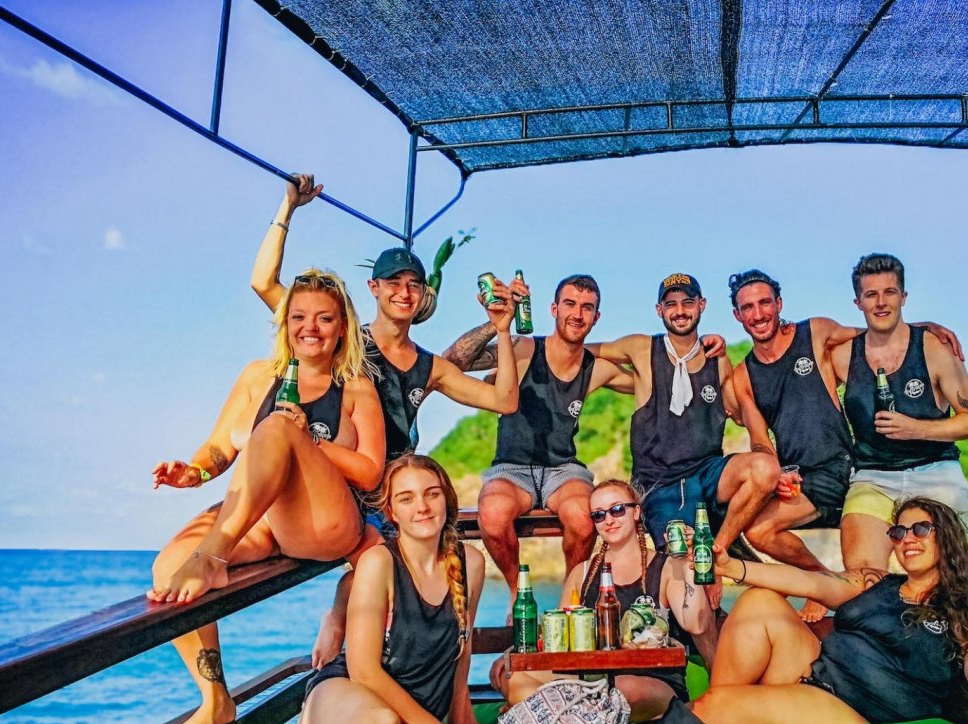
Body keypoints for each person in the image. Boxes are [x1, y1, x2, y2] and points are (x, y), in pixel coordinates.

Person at [251, 174, 519, 661]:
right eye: (394, 282)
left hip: (396, 485)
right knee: (382, 566)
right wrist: (288, 208)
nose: (404, 291)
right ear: (373, 288)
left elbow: (503, 401)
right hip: (348, 480)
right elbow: (263, 284)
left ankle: (424, 676)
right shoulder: (344, 340)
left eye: (414, 285)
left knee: (436, 570)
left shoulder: (428, 365)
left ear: (422, 296)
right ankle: (339, 622)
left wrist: (502, 329)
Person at [148, 269, 386, 724]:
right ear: (285, 323)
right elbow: (219, 450)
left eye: (324, 318)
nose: (310, 327)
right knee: (168, 566)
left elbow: (370, 472)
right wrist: (190, 474)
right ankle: (215, 699)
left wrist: (307, 437)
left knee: (278, 430)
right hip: (262, 520)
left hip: (322, 522)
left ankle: (211, 558)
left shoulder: (356, 387)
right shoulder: (259, 377)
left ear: (342, 326)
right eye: (299, 317)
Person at [692, 498, 968, 724]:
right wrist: (732, 567)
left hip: (860, 713)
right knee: (760, 601)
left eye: (921, 529)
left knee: (714, 706)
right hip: (814, 674)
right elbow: (810, 582)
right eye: (898, 532)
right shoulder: (874, 583)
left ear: (946, 538)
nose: (908, 539)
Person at [280, 455, 496, 724]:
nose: (422, 506)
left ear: (447, 500)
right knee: (381, 721)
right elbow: (363, 670)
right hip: (347, 703)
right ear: (392, 512)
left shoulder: (472, 563)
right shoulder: (378, 562)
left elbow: (461, 653)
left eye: (432, 494)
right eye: (406, 498)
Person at [730, 268, 964, 576]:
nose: (758, 314)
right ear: (737, 315)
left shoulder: (814, 332)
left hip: (838, 467)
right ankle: (826, 582)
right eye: (748, 307)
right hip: (798, 479)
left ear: (779, 304)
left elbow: (872, 335)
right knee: (754, 526)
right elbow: (760, 440)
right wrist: (778, 476)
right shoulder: (744, 375)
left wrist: (923, 328)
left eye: (765, 303)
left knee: (759, 530)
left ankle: (823, 586)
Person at [444, 274, 632, 612]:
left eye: (587, 308)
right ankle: (518, 592)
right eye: (570, 304)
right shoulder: (524, 348)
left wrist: (699, 355)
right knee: (493, 512)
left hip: (563, 470)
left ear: (596, 317)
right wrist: (496, 323)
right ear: (553, 309)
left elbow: (652, 377)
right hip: (511, 468)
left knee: (582, 514)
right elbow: (452, 363)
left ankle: (570, 595)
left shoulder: (597, 368)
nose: (577, 314)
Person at [491, 480, 718, 720]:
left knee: (622, 690)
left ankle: (542, 715)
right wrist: (516, 657)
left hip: (649, 681)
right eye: (598, 515)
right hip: (589, 680)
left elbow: (696, 624)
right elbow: (558, 642)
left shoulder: (666, 567)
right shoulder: (583, 573)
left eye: (617, 509)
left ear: (637, 512)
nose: (609, 520)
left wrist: (687, 562)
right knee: (512, 677)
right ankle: (563, 719)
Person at [591, 273, 779, 560]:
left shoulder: (718, 360)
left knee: (765, 469)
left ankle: (721, 546)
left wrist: (771, 452)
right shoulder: (642, 349)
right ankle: (700, 565)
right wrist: (511, 351)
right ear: (659, 310)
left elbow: (743, 415)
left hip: (707, 475)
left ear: (701, 305)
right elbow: (577, 350)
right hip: (658, 483)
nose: (680, 311)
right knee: (683, 556)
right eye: (671, 304)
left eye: (688, 302)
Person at [829, 254, 968, 572]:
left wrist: (917, 428)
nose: (881, 303)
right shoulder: (842, 356)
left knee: (951, 578)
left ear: (903, 297)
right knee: (863, 576)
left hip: (935, 470)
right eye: (871, 295)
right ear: (858, 302)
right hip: (872, 475)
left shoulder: (932, 348)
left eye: (889, 292)